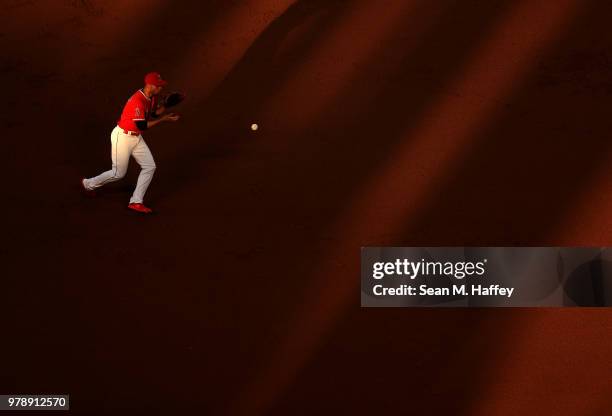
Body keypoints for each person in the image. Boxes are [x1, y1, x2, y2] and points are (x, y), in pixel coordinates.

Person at [81, 71, 180, 214]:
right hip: (122, 137)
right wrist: (163, 119)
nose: (161, 88)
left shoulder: (150, 96)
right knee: (118, 173)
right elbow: (142, 126)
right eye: (159, 86)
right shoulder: (137, 101)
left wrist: (165, 106)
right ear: (151, 85)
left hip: (136, 137)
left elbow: (153, 114)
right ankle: (88, 184)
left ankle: (136, 201)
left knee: (149, 166)